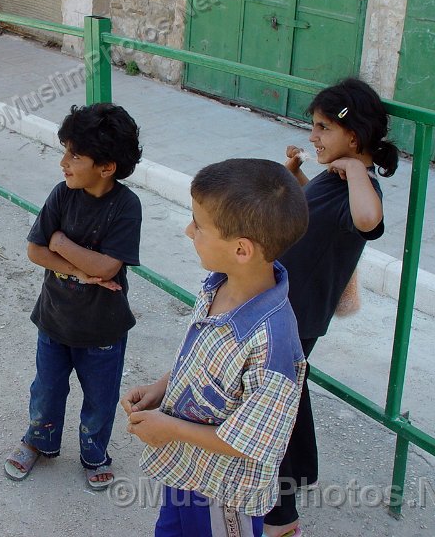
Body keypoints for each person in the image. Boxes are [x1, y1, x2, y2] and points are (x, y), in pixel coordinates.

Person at [122, 158, 309, 537]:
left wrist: (169, 428)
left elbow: (253, 442)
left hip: (224, 493)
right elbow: (202, 361)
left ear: (241, 249)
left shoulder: (272, 345)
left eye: (199, 225)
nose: (189, 230)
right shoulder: (217, 286)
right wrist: (161, 388)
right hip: (190, 470)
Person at [263, 78, 400, 537]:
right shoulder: (332, 177)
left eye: (322, 127)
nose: (313, 136)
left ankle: (282, 520)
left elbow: (365, 221)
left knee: (274, 405)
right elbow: (315, 216)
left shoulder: (358, 186)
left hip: (297, 314)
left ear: (353, 136)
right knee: (285, 395)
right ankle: (296, 473)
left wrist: (358, 171)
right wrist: (299, 175)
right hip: (280, 305)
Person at [4, 103, 143, 489]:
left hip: (103, 330)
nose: (63, 162)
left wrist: (61, 242)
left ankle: (94, 452)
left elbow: (108, 268)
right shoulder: (62, 194)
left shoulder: (126, 206)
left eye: (74, 155)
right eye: (65, 151)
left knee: (100, 398)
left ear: (106, 167)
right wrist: (81, 269)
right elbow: (35, 251)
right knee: (46, 388)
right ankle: (38, 441)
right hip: (53, 319)